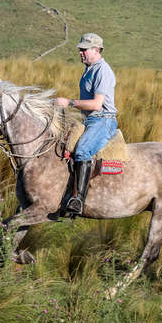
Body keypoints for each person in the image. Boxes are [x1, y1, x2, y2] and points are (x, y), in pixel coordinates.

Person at [56, 33, 118, 214]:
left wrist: (69, 102)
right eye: (80, 50)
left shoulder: (102, 71)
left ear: (97, 50)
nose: (80, 53)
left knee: (82, 150)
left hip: (103, 120)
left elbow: (97, 104)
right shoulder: (89, 69)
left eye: (84, 50)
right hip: (89, 119)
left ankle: (78, 200)